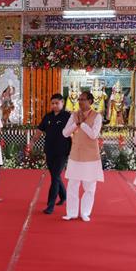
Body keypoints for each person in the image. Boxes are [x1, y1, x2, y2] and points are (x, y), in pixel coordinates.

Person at [62, 91, 104, 222]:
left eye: (83, 99)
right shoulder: (74, 115)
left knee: (89, 187)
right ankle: (71, 213)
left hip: (91, 157)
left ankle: (85, 212)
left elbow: (94, 135)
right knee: (72, 185)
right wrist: (76, 124)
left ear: (90, 101)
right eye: (79, 99)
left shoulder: (97, 116)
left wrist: (82, 124)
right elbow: (65, 133)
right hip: (76, 155)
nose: (80, 101)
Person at [33, 93, 71, 214]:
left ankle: (50, 205)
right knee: (55, 175)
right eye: (52, 103)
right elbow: (39, 130)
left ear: (62, 103)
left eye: (57, 103)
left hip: (62, 151)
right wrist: (32, 142)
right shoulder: (48, 116)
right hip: (49, 150)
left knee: (55, 177)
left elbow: (74, 132)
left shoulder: (67, 116)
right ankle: (64, 196)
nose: (54, 105)